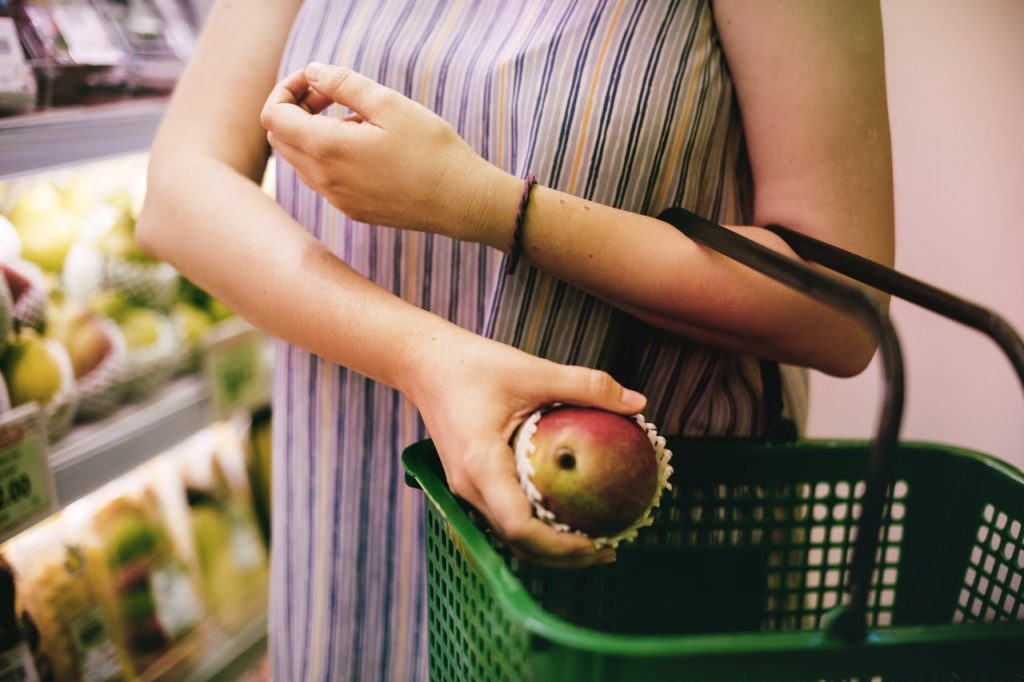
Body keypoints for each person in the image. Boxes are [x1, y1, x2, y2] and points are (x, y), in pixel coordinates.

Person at [137, 1, 894, 679]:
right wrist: (422, 354)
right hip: (350, 511)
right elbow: (179, 186)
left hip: (631, 539)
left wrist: (487, 204)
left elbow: (842, 310)